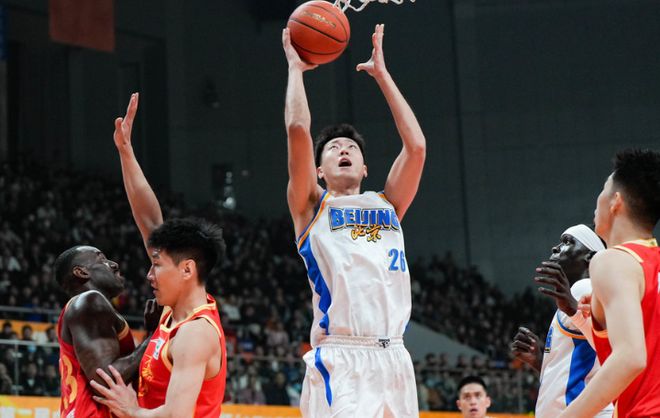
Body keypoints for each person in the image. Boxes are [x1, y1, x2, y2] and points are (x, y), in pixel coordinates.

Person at [282, 23, 426, 417]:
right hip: (342, 357)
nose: (343, 149)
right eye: (333, 148)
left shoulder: (388, 204)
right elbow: (297, 129)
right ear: (319, 170)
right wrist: (296, 69)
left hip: (395, 356)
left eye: (350, 147)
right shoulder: (312, 205)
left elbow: (416, 147)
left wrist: (383, 76)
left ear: (364, 168)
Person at [90, 93, 228, 418]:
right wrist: (126, 152)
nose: (149, 274)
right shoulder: (174, 311)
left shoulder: (195, 333)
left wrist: (131, 410)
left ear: (187, 270)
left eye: (156, 266)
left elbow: (178, 415)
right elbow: (150, 221)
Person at [559, 149, 660, 417]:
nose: (598, 200)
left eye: (604, 189)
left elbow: (630, 357)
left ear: (616, 201)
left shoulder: (611, 260)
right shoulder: (647, 267)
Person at [511, 224, 613, 417]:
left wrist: (574, 310)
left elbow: (612, 347)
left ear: (590, 257)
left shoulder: (585, 288)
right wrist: (539, 361)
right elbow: (572, 372)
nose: (556, 248)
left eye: (567, 242)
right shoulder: (574, 294)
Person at [54, 244, 161, 417]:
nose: (114, 264)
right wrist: (155, 335)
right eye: (101, 259)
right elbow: (105, 380)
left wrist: (150, 335)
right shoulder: (89, 301)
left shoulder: (86, 308)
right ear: (82, 272)